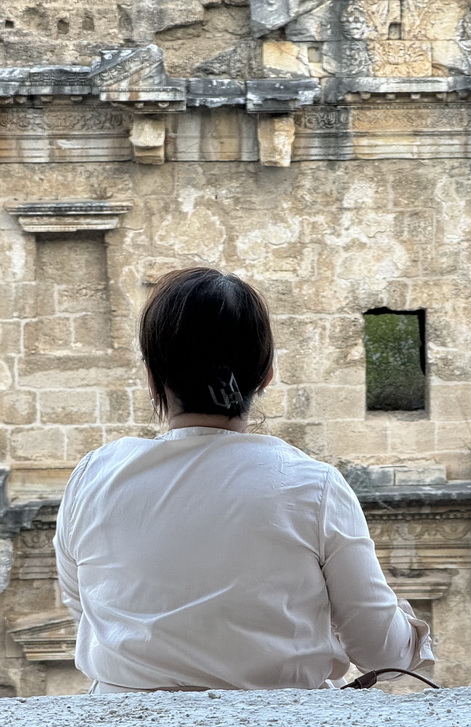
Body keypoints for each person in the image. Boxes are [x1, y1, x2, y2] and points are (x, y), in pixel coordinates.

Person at [53, 267, 433, 693]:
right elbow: (384, 652)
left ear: (153, 379)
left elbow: (84, 604)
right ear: (267, 373)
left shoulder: (93, 476)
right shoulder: (313, 487)